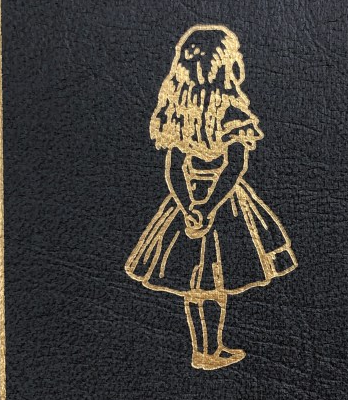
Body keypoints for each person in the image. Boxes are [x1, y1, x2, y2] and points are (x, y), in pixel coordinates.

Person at [125, 24, 297, 370]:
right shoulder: (232, 112)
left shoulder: (177, 114)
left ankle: (203, 350)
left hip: (187, 203)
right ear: (225, 65)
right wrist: (209, 207)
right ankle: (211, 349)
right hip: (224, 205)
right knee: (215, 282)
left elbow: (175, 169)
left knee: (194, 283)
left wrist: (188, 207)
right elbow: (234, 167)